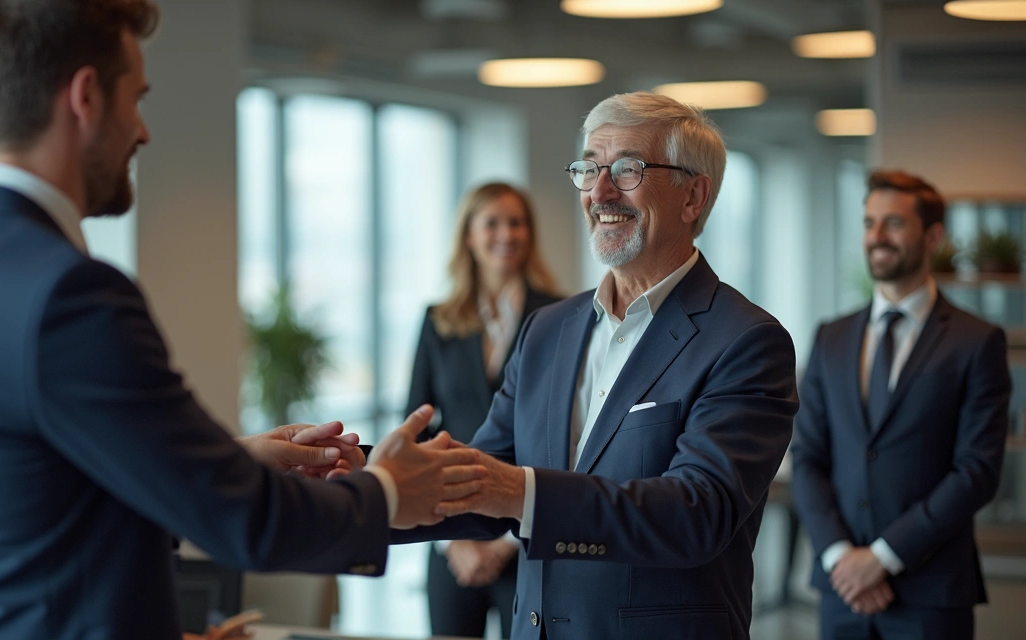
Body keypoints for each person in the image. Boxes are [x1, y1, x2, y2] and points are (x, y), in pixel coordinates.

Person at [0, 1, 484, 638]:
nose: (143, 131)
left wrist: (220, 461)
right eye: (136, 98)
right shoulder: (71, 294)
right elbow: (246, 523)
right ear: (86, 97)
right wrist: (387, 490)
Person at [394, 91, 799, 640]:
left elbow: (696, 513)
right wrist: (361, 482)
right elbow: (482, 472)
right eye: (589, 169)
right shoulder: (547, 329)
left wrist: (521, 492)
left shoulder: (746, 341)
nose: (599, 192)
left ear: (693, 196)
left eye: (628, 170)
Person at [792, 170, 1010, 640]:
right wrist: (841, 557)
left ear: (932, 237)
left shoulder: (977, 341)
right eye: (869, 223)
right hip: (841, 591)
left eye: (893, 223)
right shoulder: (830, 338)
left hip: (930, 594)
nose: (877, 237)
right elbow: (807, 457)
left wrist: (882, 558)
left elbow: (977, 471)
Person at [407, 183, 561, 639]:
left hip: (528, 536)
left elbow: (565, 434)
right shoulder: (437, 320)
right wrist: (451, 539)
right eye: (492, 223)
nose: (506, 234)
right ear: (469, 237)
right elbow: (414, 428)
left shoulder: (560, 316)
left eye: (517, 223)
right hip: (450, 536)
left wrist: (507, 542)